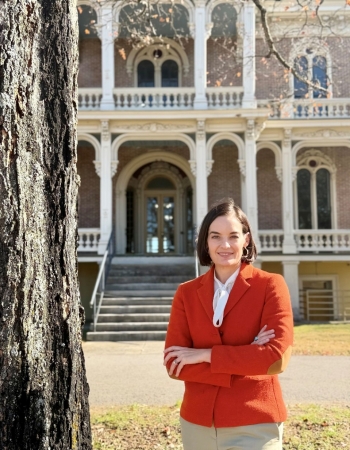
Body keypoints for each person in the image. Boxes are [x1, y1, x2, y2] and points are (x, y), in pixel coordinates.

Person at [163, 198, 293, 450]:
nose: (225, 245)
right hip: (197, 424)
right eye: (215, 236)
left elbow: (275, 359)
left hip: (255, 422)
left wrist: (203, 355)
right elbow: (174, 364)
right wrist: (249, 354)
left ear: (246, 239)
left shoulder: (270, 285)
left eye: (233, 236)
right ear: (205, 242)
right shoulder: (186, 293)